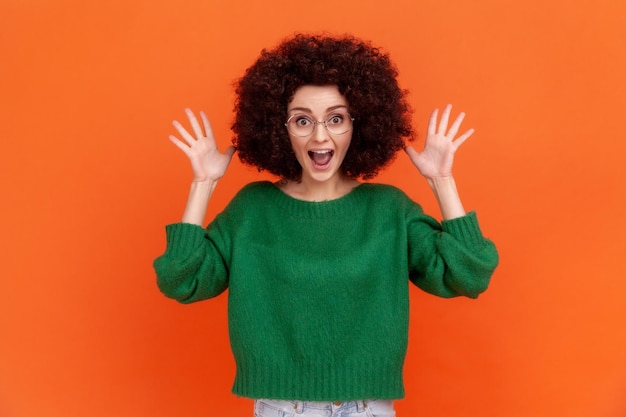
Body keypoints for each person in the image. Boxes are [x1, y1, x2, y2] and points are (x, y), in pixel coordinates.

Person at [154, 33, 498, 417]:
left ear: (359, 123)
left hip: (368, 409)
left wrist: (441, 181)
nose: (320, 136)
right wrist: (203, 184)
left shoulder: (389, 210)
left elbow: (469, 275)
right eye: (302, 120)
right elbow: (180, 280)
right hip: (281, 409)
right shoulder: (252, 210)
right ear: (279, 129)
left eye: (336, 118)